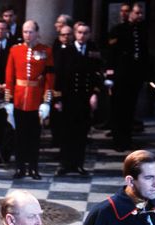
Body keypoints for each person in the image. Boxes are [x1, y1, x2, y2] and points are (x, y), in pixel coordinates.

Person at [5, 20, 54, 180]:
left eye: (31, 31)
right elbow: (9, 76)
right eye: (25, 32)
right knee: (19, 136)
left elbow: (49, 77)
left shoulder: (46, 50)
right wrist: (9, 100)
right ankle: (20, 168)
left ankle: (33, 168)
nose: (27, 35)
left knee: (34, 137)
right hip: (19, 99)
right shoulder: (15, 50)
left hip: (36, 99)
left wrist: (46, 101)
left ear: (37, 33)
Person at [54, 23, 101, 176]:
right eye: (79, 32)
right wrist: (58, 99)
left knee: (82, 132)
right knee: (67, 132)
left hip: (84, 98)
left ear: (89, 34)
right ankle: (65, 164)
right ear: (75, 33)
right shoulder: (65, 51)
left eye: (85, 32)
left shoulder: (93, 51)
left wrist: (95, 93)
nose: (82, 35)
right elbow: (59, 76)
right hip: (68, 97)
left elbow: (96, 74)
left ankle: (78, 164)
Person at [106, 2, 149, 152]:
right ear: (129, 13)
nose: (140, 16)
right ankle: (118, 141)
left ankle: (127, 139)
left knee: (130, 109)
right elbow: (111, 53)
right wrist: (109, 72)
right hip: (120, 76)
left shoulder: (142, 29)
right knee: (119, 109)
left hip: (134, 76)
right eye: (137, 13)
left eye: (141, 13)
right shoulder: (118, 30)